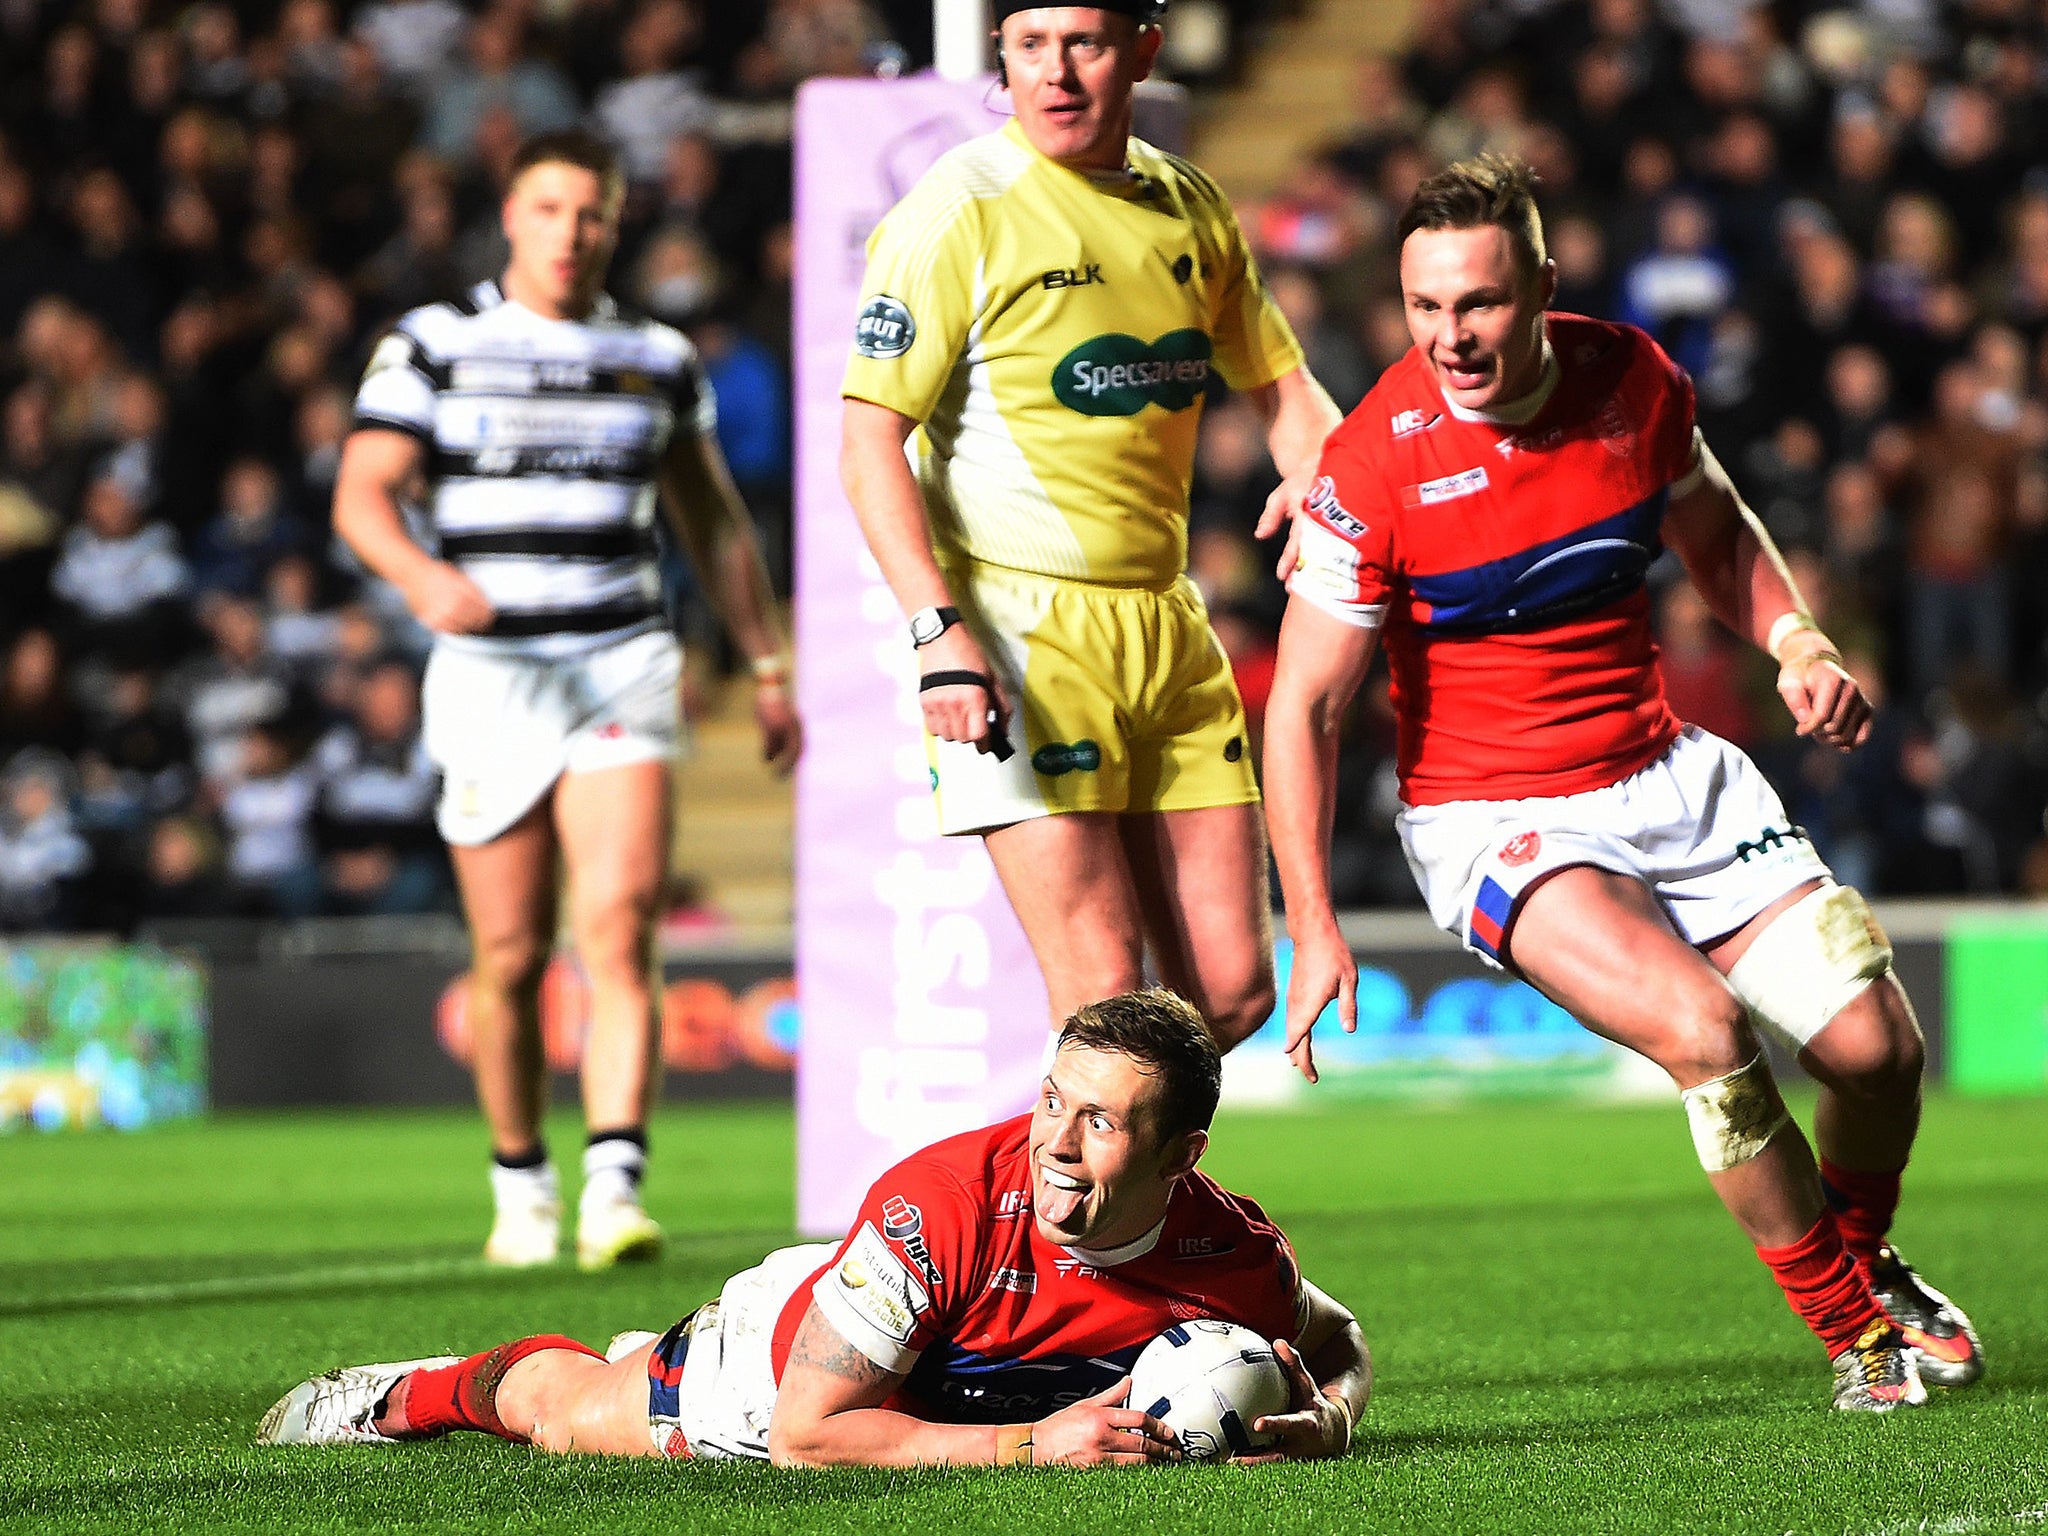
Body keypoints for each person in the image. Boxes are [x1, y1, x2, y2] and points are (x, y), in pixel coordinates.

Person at [1261, 155, 1981, 1413]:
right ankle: (1857, 1343)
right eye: (1424, 307)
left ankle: (1858, 1265)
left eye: (1476, 303)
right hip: (1491, 815)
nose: (1450, 336)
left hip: (1661, 772)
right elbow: (1304, 709)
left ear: (1539, 285)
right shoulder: (1371, 463)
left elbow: (1710, 530)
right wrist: (1311, 920)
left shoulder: (1630, 382)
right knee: (1706, 1035)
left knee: (1873, 1049)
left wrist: (1795, 638)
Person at [332, 129, 799, 1272]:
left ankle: (612, 1188)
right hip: (491, 677)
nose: (569, 230)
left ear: (615, 221)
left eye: (589, 211)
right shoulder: (435, 345)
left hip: (618, 661)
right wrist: (419, 575)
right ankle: (519, 1179)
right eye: (548, 208)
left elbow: (712, 521)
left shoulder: (655, 355)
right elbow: (362, 496)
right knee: (504, 953)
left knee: (621, 922)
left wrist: (769, 662)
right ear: (512, 216)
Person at [257, 989, 1370, 1466]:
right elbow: (807, 1437)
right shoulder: (943, 1207)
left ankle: (639, 1354)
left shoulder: (1232, 1258)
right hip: (780, 1366)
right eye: (1049, 1100)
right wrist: (1028, 1448)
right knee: (566, 1416)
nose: (1056, 1143)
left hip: (902, 1356)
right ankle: (404, 1394)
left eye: (1100, 1121)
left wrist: (1334, 1420)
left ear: (1181, 1159)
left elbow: (1338, 1341)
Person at [839, 2, 1343, 1048]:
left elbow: (1287, 395)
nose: (1056, 73)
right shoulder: (957, 209)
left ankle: (1103, 1196)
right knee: (1104, 993)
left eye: (1085, 44)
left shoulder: (1187, 201)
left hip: (1164, 621)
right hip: (1018, 631)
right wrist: (940, 635)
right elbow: (865, 445)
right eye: (1030, 46)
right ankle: (1063, 1213)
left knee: (1230, 995)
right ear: (1003, 58)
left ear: (1142, 50)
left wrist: (1326, 486)